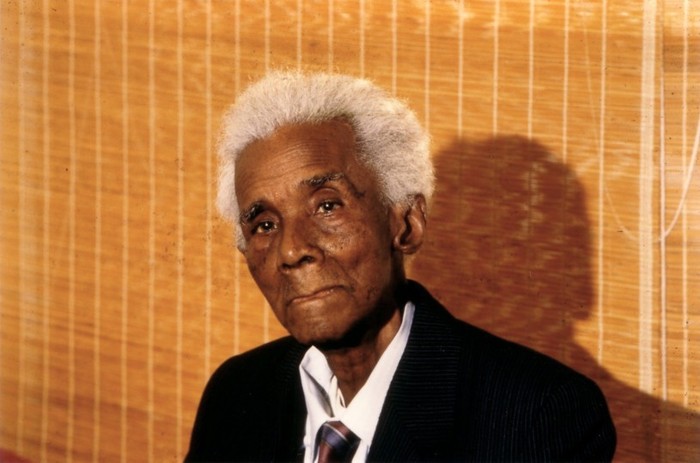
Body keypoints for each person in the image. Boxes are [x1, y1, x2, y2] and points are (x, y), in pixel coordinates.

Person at [185, 71, 616, 462]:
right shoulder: (237, 395)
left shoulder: (537, 415)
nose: (292, 250)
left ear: (406, 223)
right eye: (264, 225)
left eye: (327, 206)